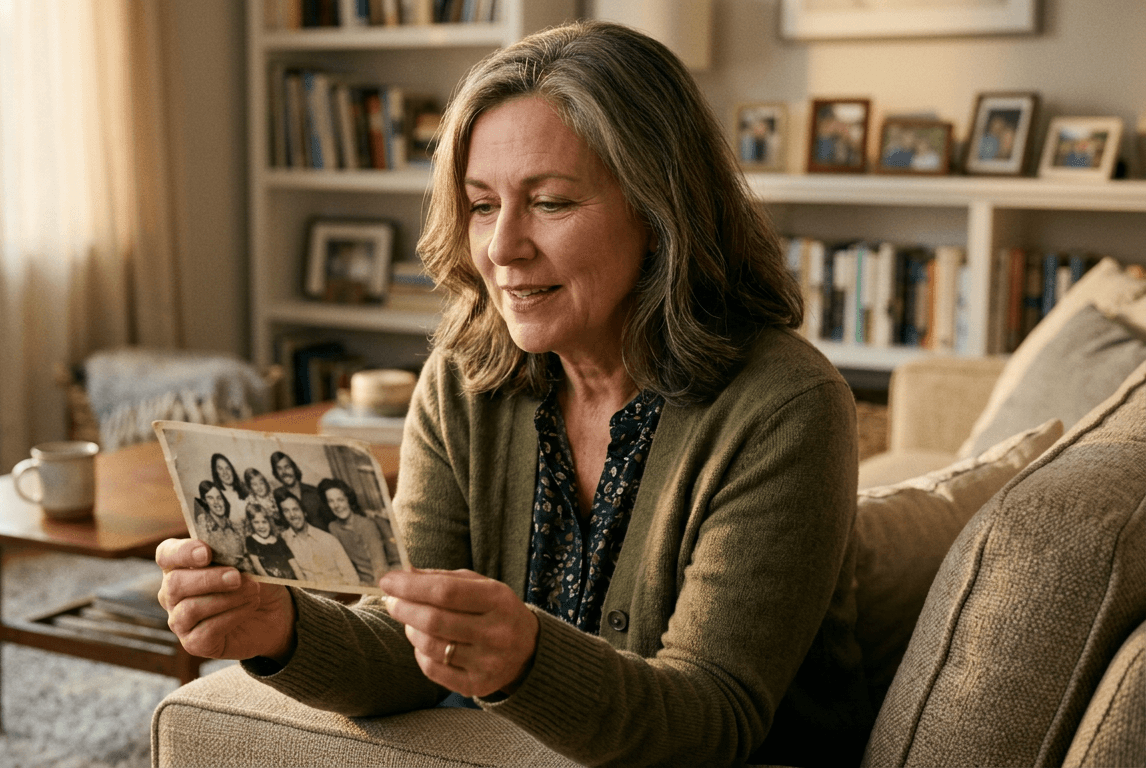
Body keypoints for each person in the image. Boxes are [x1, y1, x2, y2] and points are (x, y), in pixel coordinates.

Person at [157, 20, 870, 767]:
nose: (502, 250)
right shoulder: (465, 377)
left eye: (552, 203)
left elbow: (711, 721)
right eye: (482, 205)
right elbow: (403, 646)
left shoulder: (788, 405)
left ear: (661, 214)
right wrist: (283, 626)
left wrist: (525, 659)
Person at [316, 477, 393, 587]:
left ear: (348, 500)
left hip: (381, 581)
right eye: (331, 501)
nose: (336, 505)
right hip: (359, 583)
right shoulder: (333, 527)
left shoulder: (366, 524)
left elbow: (380, 567)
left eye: (340, 500)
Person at [278, 492, 359, 586]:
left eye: (295, 509)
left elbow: (352, 578)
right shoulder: (283, 541)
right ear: (283, 516)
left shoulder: (328, 539)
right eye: (286, 511)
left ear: (304, 512)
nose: (292, 515)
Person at [268, 451, 329, 531]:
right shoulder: (277, 495)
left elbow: (330, 522)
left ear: (294, 468)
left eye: (287, 467)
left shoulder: (314, 491)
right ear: (276, 473)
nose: (284, 472)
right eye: (279, 469)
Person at [195, 481, 248, 572]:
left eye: (219, 498)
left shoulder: (236, 527)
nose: (217, 502)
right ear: (205, 501)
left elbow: (246, 557)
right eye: (210, 498)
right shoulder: (204, 526)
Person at [243, 507, 304, 582]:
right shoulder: (250, 540)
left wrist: (304, 583)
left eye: (264, 522)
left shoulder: (279, 541)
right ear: (251, 524)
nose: (261, 526)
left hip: (291, 580)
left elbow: (294, 566)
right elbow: (258, 567)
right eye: (256, 522)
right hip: (272, 582)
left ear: (270, 523)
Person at [210, 454, 248, 535]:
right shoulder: (217, 499)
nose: (225, 473)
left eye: (227, 468)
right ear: (216, 472)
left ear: (232, 470)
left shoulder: (245, 489)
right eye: (220, 469)